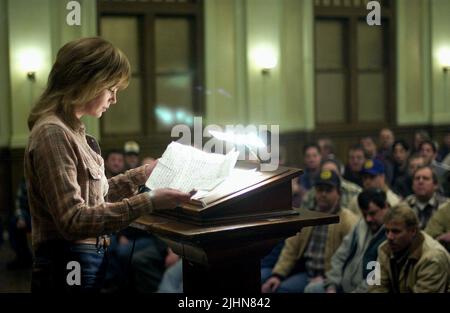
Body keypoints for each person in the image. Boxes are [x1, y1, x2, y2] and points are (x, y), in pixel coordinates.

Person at [24, 37, 191, 292]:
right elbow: (74, 220)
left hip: (82, 260)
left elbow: (95, 198)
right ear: (88, 82)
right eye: (112, 89)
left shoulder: (71, 130)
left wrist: (143, 174)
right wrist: (150, 201)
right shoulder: (53, 133)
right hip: (68, 264)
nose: (114, 100)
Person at [261, 170, 357, 293]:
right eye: (319, 189)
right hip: (307, 273)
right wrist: (278, 275)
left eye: (328, 190)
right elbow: (291, 249)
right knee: (281, 288)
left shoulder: (348, 220)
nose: (323, 194)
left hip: (332, 277)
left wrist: (327, 278)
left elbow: (350, 258)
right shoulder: (309, 216)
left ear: (338, 193)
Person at [305, 188, 388, 293]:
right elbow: (340, 256)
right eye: (364, 214)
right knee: (312, 289)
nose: (368, 219)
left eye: (372, 213)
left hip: (365, 290)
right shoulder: (360, 225)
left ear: (385, 207)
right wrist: (332, 285)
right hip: (343, 285)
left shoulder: (390, 234)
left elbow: (376, 278)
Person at [369, 204, 450, 293]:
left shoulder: (432, 258)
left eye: (396, 231)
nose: (389, 237)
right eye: (387, 231)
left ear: (413, 231)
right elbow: (376, 286)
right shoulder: (384, 249)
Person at [7, 179, 33, 270]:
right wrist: (21, 217)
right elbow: (19, 203)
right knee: (14, 223)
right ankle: (23, 256)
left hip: (45, 217)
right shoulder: (26, 182)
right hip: (30, 217)